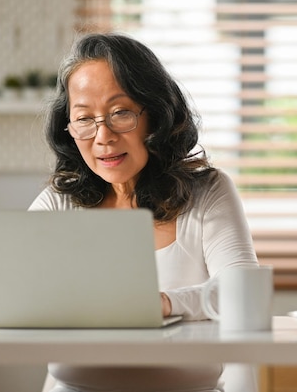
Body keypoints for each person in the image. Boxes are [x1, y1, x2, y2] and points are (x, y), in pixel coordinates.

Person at [29, 32, 260, 392]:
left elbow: (243, 293)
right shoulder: (59, 200)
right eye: (84, 119)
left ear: (155, 115)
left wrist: (163, 304)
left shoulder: (207, 191)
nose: (102, 136)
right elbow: (14, 293)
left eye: (120, 113)